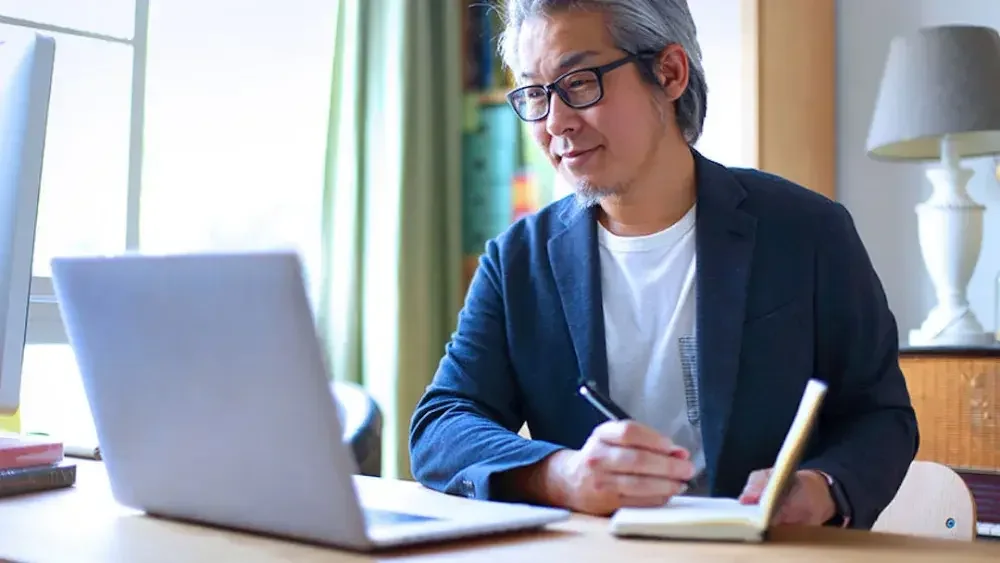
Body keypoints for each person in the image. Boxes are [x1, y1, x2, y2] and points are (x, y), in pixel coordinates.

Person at [409, 0, 918, 530]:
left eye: (580, 82)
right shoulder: (518, 260)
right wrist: (564, 476)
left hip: (767, 552)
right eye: (536, 93)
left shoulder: (808, 231)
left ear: (670, 72)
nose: (555, 122)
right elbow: (441, 425)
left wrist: (821, 488)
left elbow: (880, 416)